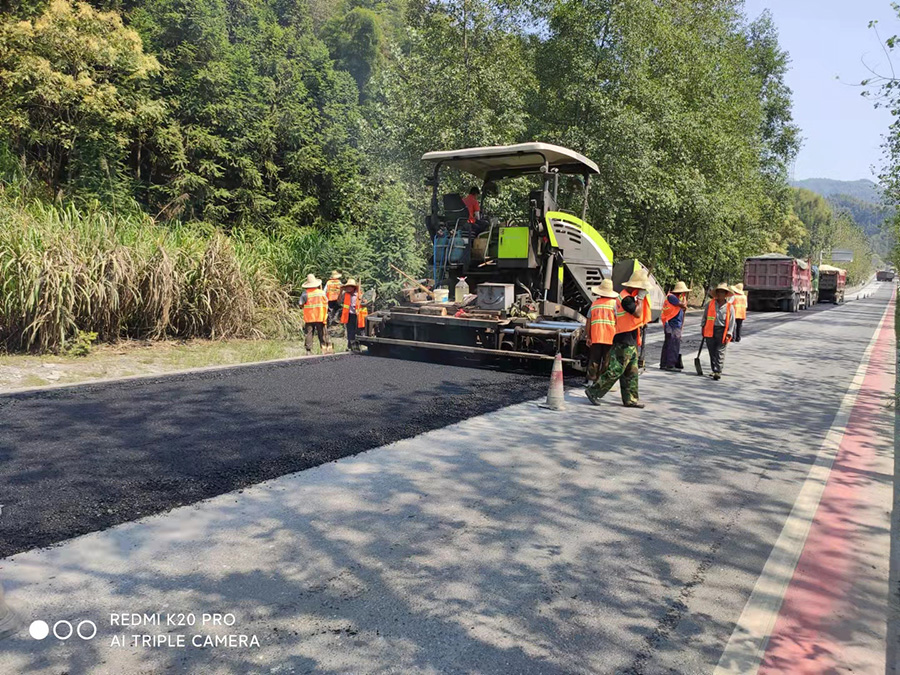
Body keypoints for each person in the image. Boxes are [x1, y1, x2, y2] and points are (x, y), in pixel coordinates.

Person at [586, 269, 648, 408]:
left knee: (631, 372)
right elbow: (638, 314)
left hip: (630, 339)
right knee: (615, 370)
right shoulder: (626, 299)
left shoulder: (628, 298)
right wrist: (641, 299)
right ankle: (594, 391)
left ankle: (630, 399)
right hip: (623, 340)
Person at [585, 279, 619, 384]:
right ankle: (603, 383)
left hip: (596, 337)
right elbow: (619, 321)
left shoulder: (594, 304)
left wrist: (588, 336)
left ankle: (591, 382)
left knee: (594, 360)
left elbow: (588, 322)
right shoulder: (615, 304)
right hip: (610, 338)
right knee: (607, 361)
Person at [703, 282, 735, 381]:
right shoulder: (710, 304)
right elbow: (705, 317)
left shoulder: (729, 307)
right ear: (716, 293)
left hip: (722, 331)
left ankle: (718, 371)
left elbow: (732, 321)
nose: (720, 294)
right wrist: (703, 328)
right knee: (712, 351)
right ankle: (714, 369)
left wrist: (729, 333)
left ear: (725, 294)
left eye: (722, 292)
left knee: (720, 351)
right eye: (719, 292)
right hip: (710, 330)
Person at [298, 274, 332, 355]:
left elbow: (300, 304)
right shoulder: (321, 293)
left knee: (309, 333)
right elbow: (326, 302)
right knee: (322, 333)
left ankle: (308, 351)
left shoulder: (305, 293)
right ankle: (324, 348)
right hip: (320, 316)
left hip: (309, 317)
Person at [659, 281, 690, 371]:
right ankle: (670, 364)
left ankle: (664, 364)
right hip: (672, 324)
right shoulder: (671, 297)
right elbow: (682, 305)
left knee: (669, 344)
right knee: (673, 344)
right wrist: (684, 302)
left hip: (673, 324)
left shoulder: (675, 297)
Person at [339, 279, 367, 350]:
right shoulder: (345, 294)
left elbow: (366, 303)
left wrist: (363, 300)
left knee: (358, 331)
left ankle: (358, 346)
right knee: (350, 331)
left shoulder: (360, 294)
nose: (348, 288)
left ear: (353, 287)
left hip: (358, 316)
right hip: (349, 315)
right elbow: (339, 301)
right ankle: (350, 346)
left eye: (350, 286)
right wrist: (340, 291)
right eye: (347, 286)